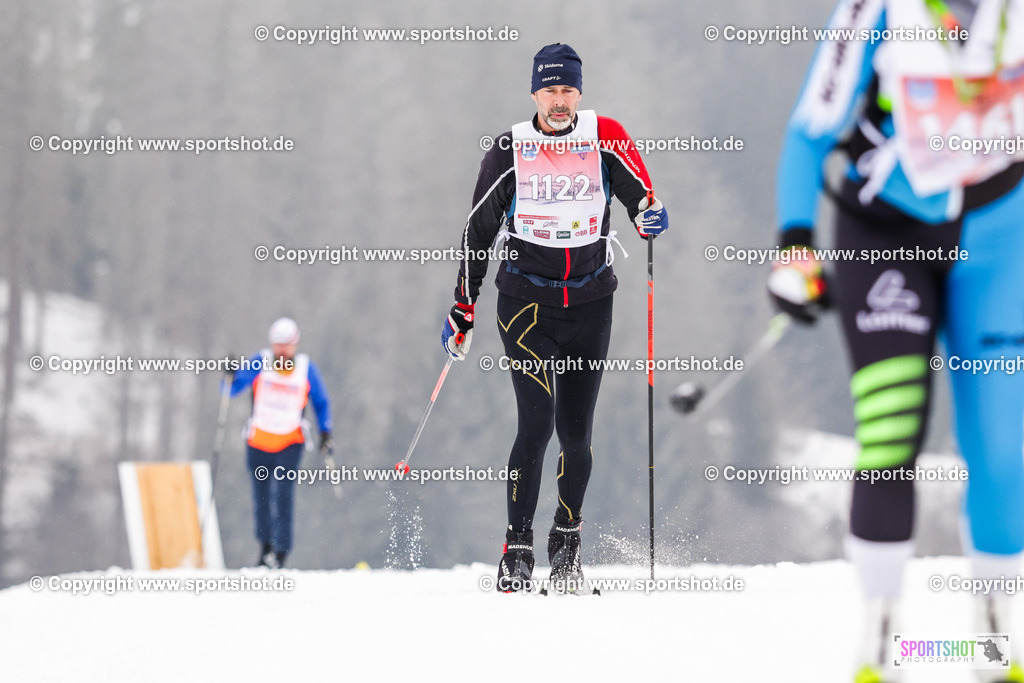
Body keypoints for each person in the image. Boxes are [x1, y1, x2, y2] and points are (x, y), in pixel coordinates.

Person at [769, 1, 1024, 680]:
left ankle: (996, 636)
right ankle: (880, 634)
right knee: (890, 430)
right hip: (887, 236)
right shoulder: (876, 7)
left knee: (1001, 447)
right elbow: (808, 131)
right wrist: (795, 245)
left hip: (999, 241)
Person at [440, 43, 668, 593]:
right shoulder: (509, 150)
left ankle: (566, 543)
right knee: (535, 425)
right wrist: (462, 308)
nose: (560, 100)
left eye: (568, 89)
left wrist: (650, 216)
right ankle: (516, 548)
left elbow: (643, 199)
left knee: (576, 434)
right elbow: (478, 230)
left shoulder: (606, 136)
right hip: (525, 305)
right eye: (550, 90)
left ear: (579, 92)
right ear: (534, 93)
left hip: (591, 302)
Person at [226, 317, 332, 568]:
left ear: (295, 344)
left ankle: (281, 552)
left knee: (283, 495)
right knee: (261, 497)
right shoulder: (261, 362)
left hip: (290, 442)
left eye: (287, 345)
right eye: (279, 345)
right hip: (258, 440)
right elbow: (230, 389)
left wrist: (326, 432)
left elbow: (321, 402)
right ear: (273, 344)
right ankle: (265, 549)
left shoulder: (306, 368)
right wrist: (230, 374)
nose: (283, 350)